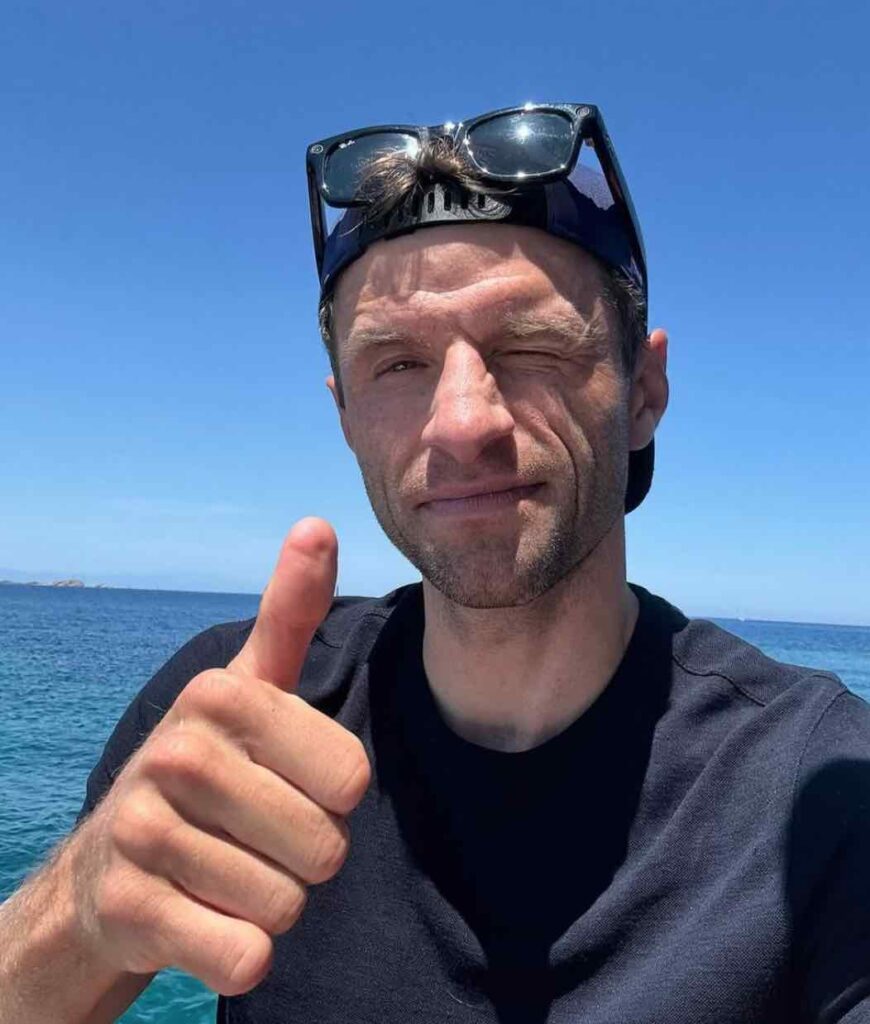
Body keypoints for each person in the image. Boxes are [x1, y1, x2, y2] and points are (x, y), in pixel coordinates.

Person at [1, 102, 869, 1024]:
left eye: (530, 346)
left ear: (644, 392)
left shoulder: (821, 793)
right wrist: (82, 914)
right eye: (397, 365)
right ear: (344, 415)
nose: (461, 423)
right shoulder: (232, 713)